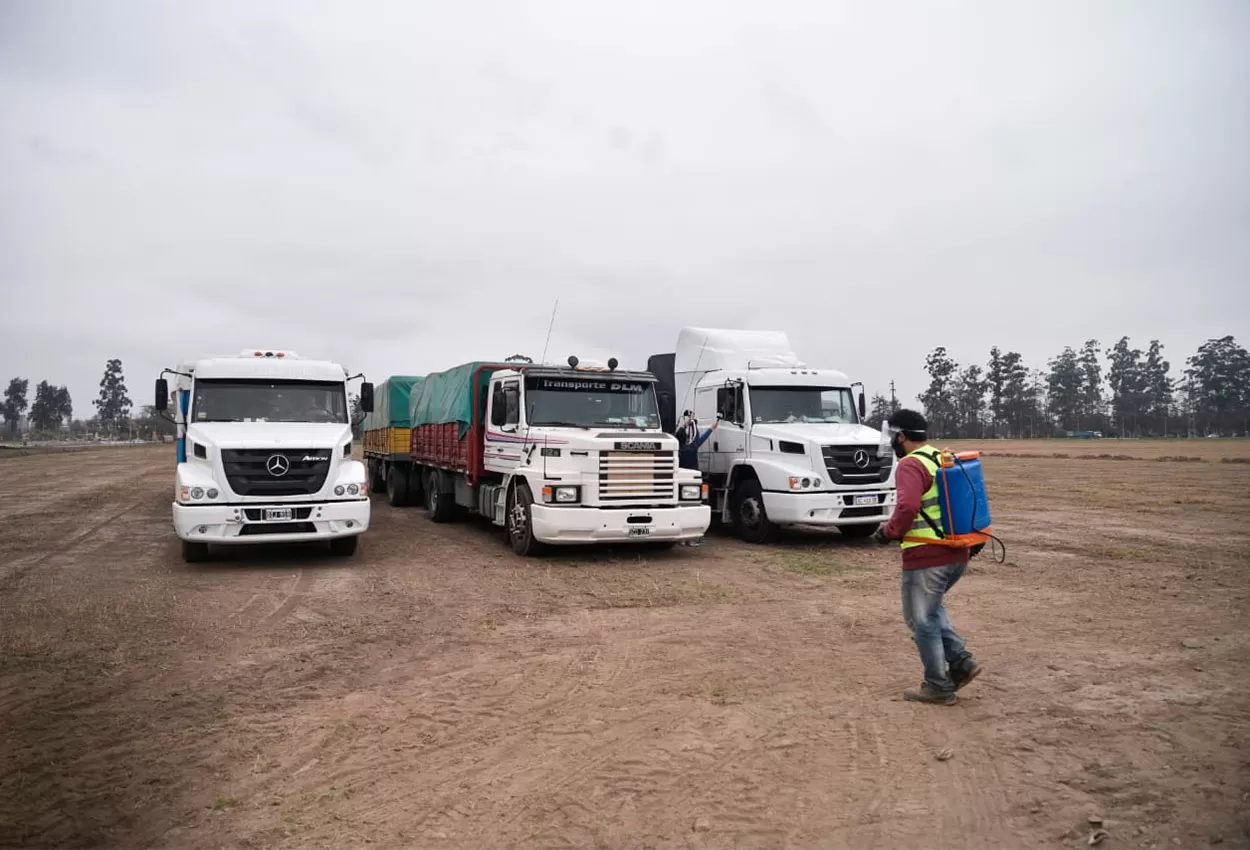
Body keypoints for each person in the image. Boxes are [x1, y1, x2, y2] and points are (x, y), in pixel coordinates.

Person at [872, 409, 983, 705]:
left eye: (893, 437)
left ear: (902, 436)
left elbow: (907, 508)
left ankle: (938, 686)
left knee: (920, 620)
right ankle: (962, 663)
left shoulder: (909, 465)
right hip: (957, 553)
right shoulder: (938, 457)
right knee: (930, 612)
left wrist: (888, 531)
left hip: (926, 555)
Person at [677, 412, 717, 547]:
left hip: (681, 484)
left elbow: (679, 435)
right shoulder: (693, 447)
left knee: (681, 509)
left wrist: (687, 423)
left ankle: (682, 538)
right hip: (694, 483)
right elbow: (701, 437)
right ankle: (694, 538)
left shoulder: (678, 449)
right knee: (695, 509)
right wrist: (710, 427)